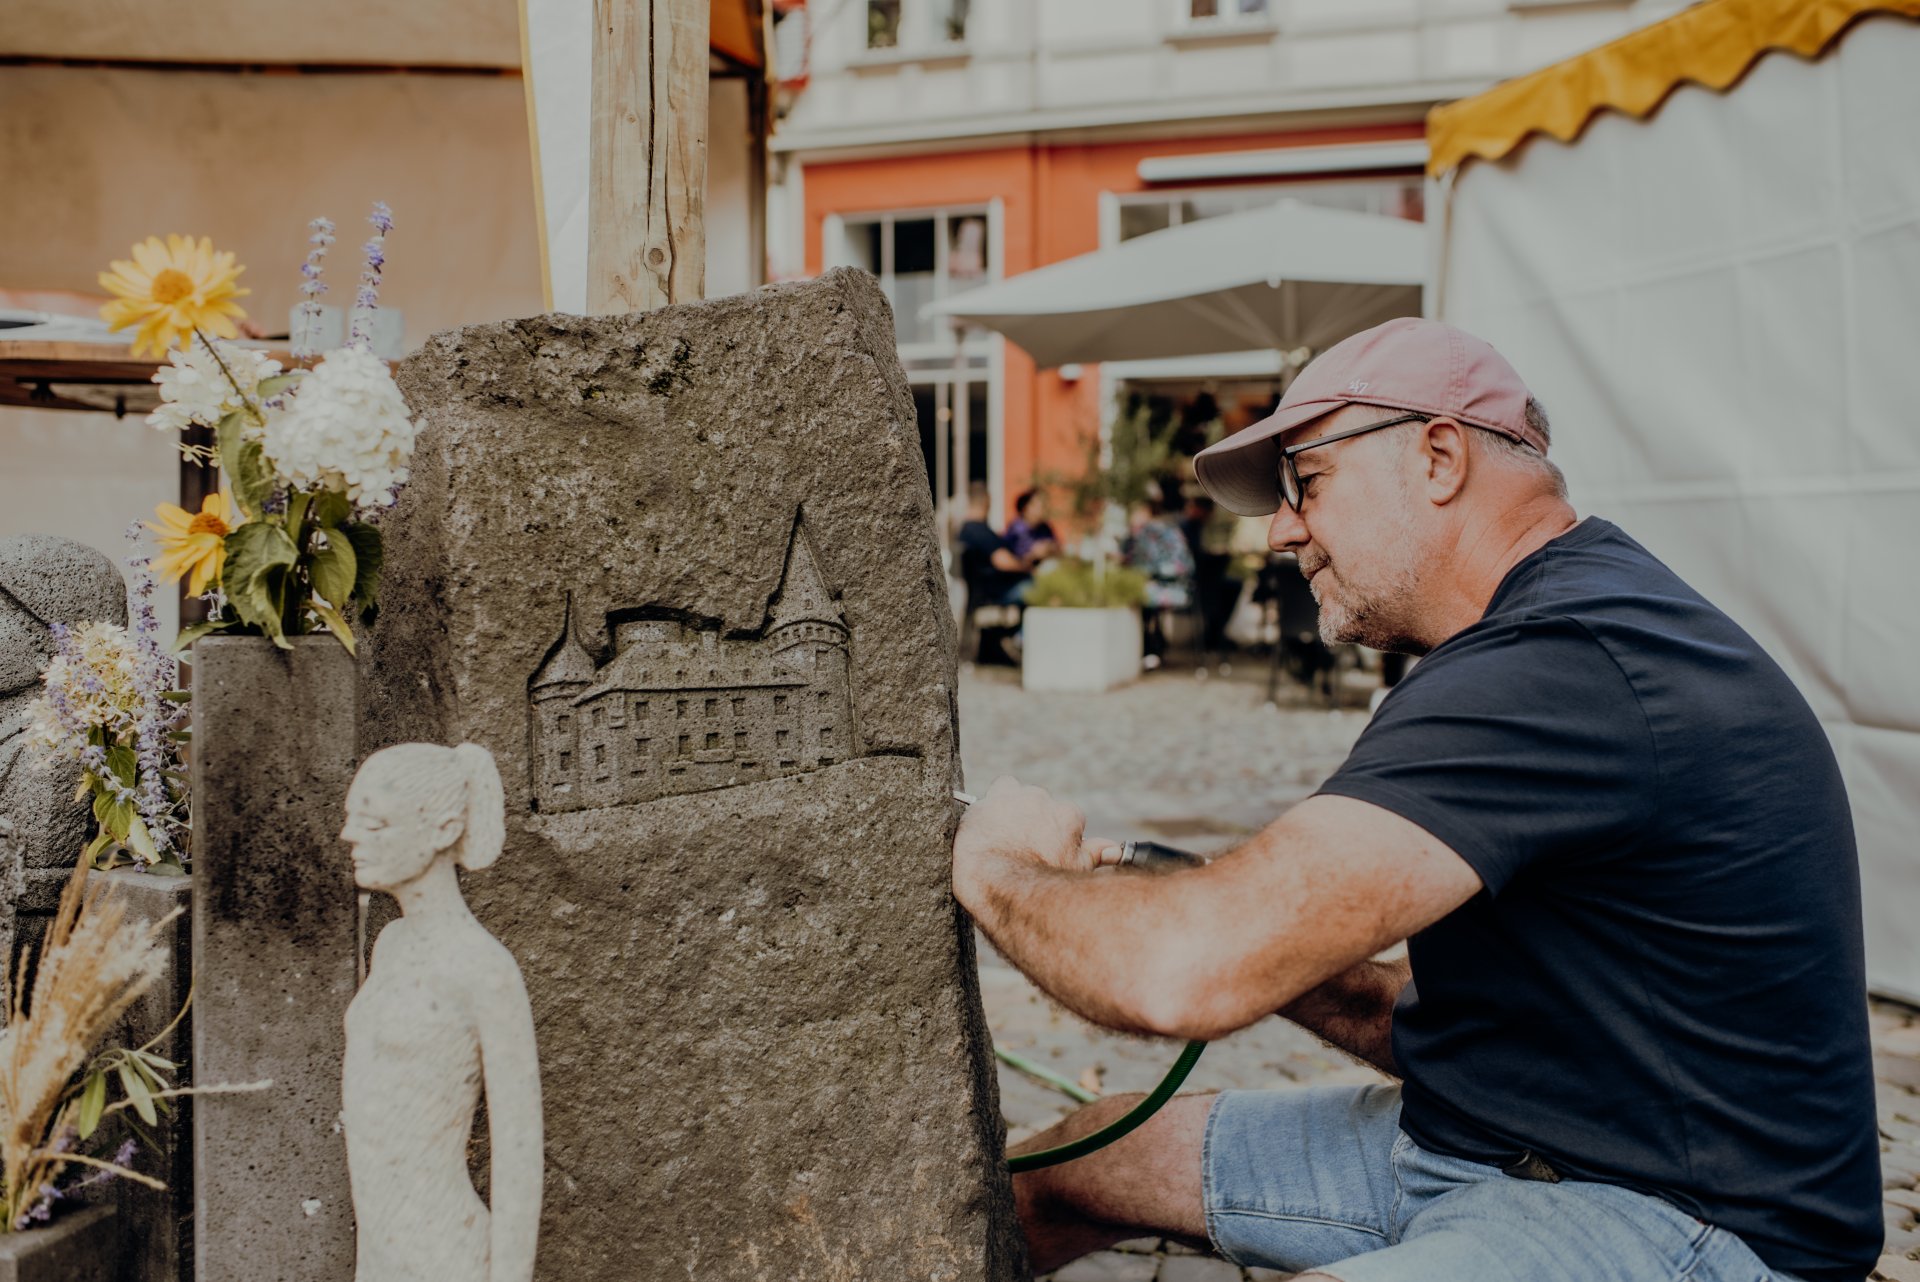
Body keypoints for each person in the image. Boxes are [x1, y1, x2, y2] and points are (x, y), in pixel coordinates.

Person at [951, 317, 1878, 1282]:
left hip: (1680, 1221)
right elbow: (1480, 1027)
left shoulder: (1561, 663)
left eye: (1307, 483)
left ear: (1439, 456)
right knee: (1067, 1166)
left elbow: (1178, 975)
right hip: (1483, 1148)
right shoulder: (1550, 630)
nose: (1281, 529)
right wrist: (1285, 952)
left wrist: (999, 863)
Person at [340, 742, 542, 1282]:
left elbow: (519, 1158)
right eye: (352, 819)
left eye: (375, 823)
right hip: (378, 1255)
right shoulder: (391, 944)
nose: (349, 836)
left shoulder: (485, 972)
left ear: (443, 828)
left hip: (442, 1255)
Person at [1122, 489, 1196, 667]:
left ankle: (1149, 648)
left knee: (1135, 595)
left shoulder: (1151, 532)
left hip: (1169, 587)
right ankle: (1154, 645)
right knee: (1139, 595)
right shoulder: (1165, 529)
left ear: (1146, 510)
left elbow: (1142, 566)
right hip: (1180, 586)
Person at [1006, 488, 1060, 564]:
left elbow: (1058, 547)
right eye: (1041, 505)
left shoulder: (1044, 527)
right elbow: (1011, 562)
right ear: (1026, 508)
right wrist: (1034, 554)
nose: (1045, 509)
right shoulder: (1015, 531)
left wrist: (1050, 548)